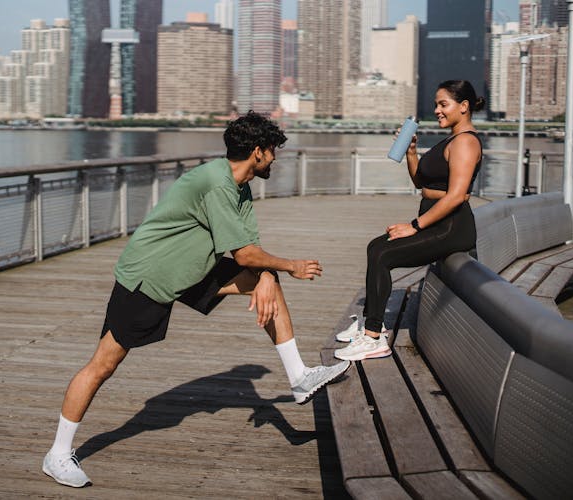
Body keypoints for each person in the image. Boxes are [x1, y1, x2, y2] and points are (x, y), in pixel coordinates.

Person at [42, 111, 351, 488]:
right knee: (103, 364)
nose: (275, 158)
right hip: (150, 276)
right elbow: (245, 256)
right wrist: (290, 265)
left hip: (191, 268)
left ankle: (299, 377)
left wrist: (268, 275)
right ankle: (57, 453)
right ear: (257, 152)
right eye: (272, 151)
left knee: (264, 281)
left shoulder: (240, 186)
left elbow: (248, 253)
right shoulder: (217, 184)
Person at [334, 80, 484, 361]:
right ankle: (370, 325)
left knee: (382, 253)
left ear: (463, 107)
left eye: (443, 104)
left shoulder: (465, 142)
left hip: (452, 228)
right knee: (375, 247)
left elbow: (455, 196)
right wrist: (412, 153)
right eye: (436, 105)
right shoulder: (451, 139)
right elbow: (421, 183)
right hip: (439, 222)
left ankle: (373, 338)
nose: (437, 110)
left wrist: (413, 226)